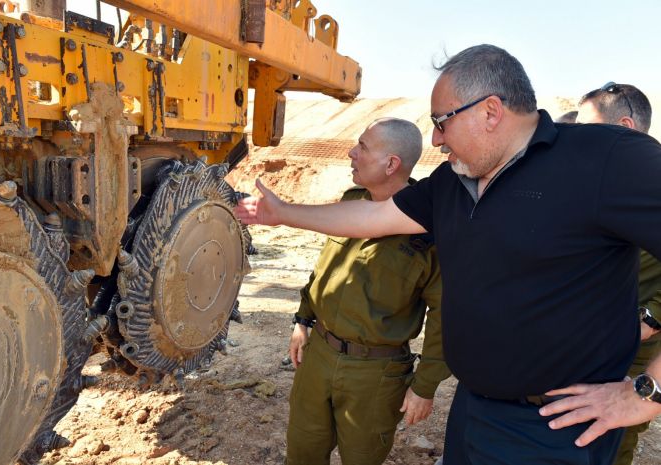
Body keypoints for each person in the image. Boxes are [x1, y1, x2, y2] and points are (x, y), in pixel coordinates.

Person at [235, 44, 661, 465]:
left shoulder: (606, 157)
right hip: (474, 409)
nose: (436, 138)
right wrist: (284, 213)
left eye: (442, 122)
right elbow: (374, 217)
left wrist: (646, 393)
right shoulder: (453, 180)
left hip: (555, 428)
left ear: (490, 112)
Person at [285, 117, 450, 465]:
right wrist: (303, 319)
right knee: (302, 454)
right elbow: (325, 268)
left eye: (362, 147)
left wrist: (425, 386)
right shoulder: (352, 200)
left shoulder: (431, 230)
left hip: (374, 375)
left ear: (391, 164)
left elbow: (444, 315)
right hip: (319, 356)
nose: (351, 152)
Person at [576, 82, 661, 465]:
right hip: (582, 343)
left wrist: (649, 319)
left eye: (584, 131)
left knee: (610, 443)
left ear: (624, 127)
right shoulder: (592, 186)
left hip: (630, 350)